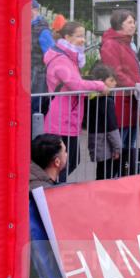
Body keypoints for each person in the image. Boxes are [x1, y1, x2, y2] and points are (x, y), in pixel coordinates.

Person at [43, 20, 108, 181]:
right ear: (67, 37)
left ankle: (55, 186)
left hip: (66, 115)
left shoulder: (67, 57)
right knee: (66, 161)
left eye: (83, 36)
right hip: (61, 118)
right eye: (79, 36)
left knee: (69, 160)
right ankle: (54, 188)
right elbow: (75, 84)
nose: (83, 40)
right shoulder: (61, 60)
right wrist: (99, 85)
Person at [100, 9, 140, 149]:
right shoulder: (111, 44)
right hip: (121, 100)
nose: (133, 25)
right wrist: (137, 87)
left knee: (129, 145)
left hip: (131, 99)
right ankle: (119, 170)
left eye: (134, 22)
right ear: (120, 24)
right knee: (120, 146)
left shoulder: (125, 43)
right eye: (130, 22)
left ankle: (126, 170)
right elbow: (115, 73)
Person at [86, 63, 122, 180]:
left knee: (101, 171)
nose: (115, 84)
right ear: (100, 82)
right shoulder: (108, 102)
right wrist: (117, 148)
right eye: (111, 80)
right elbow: (112, 127)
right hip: (105, 143)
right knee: (107, 172)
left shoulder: (90, 99)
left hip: (95, 139)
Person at [30, 0, 54, 115]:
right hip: (27, 75)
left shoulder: (43, 31)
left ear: (35, 10)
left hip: (38, 76)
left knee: (35, 108)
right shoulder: (23, 26)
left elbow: (52, 57)